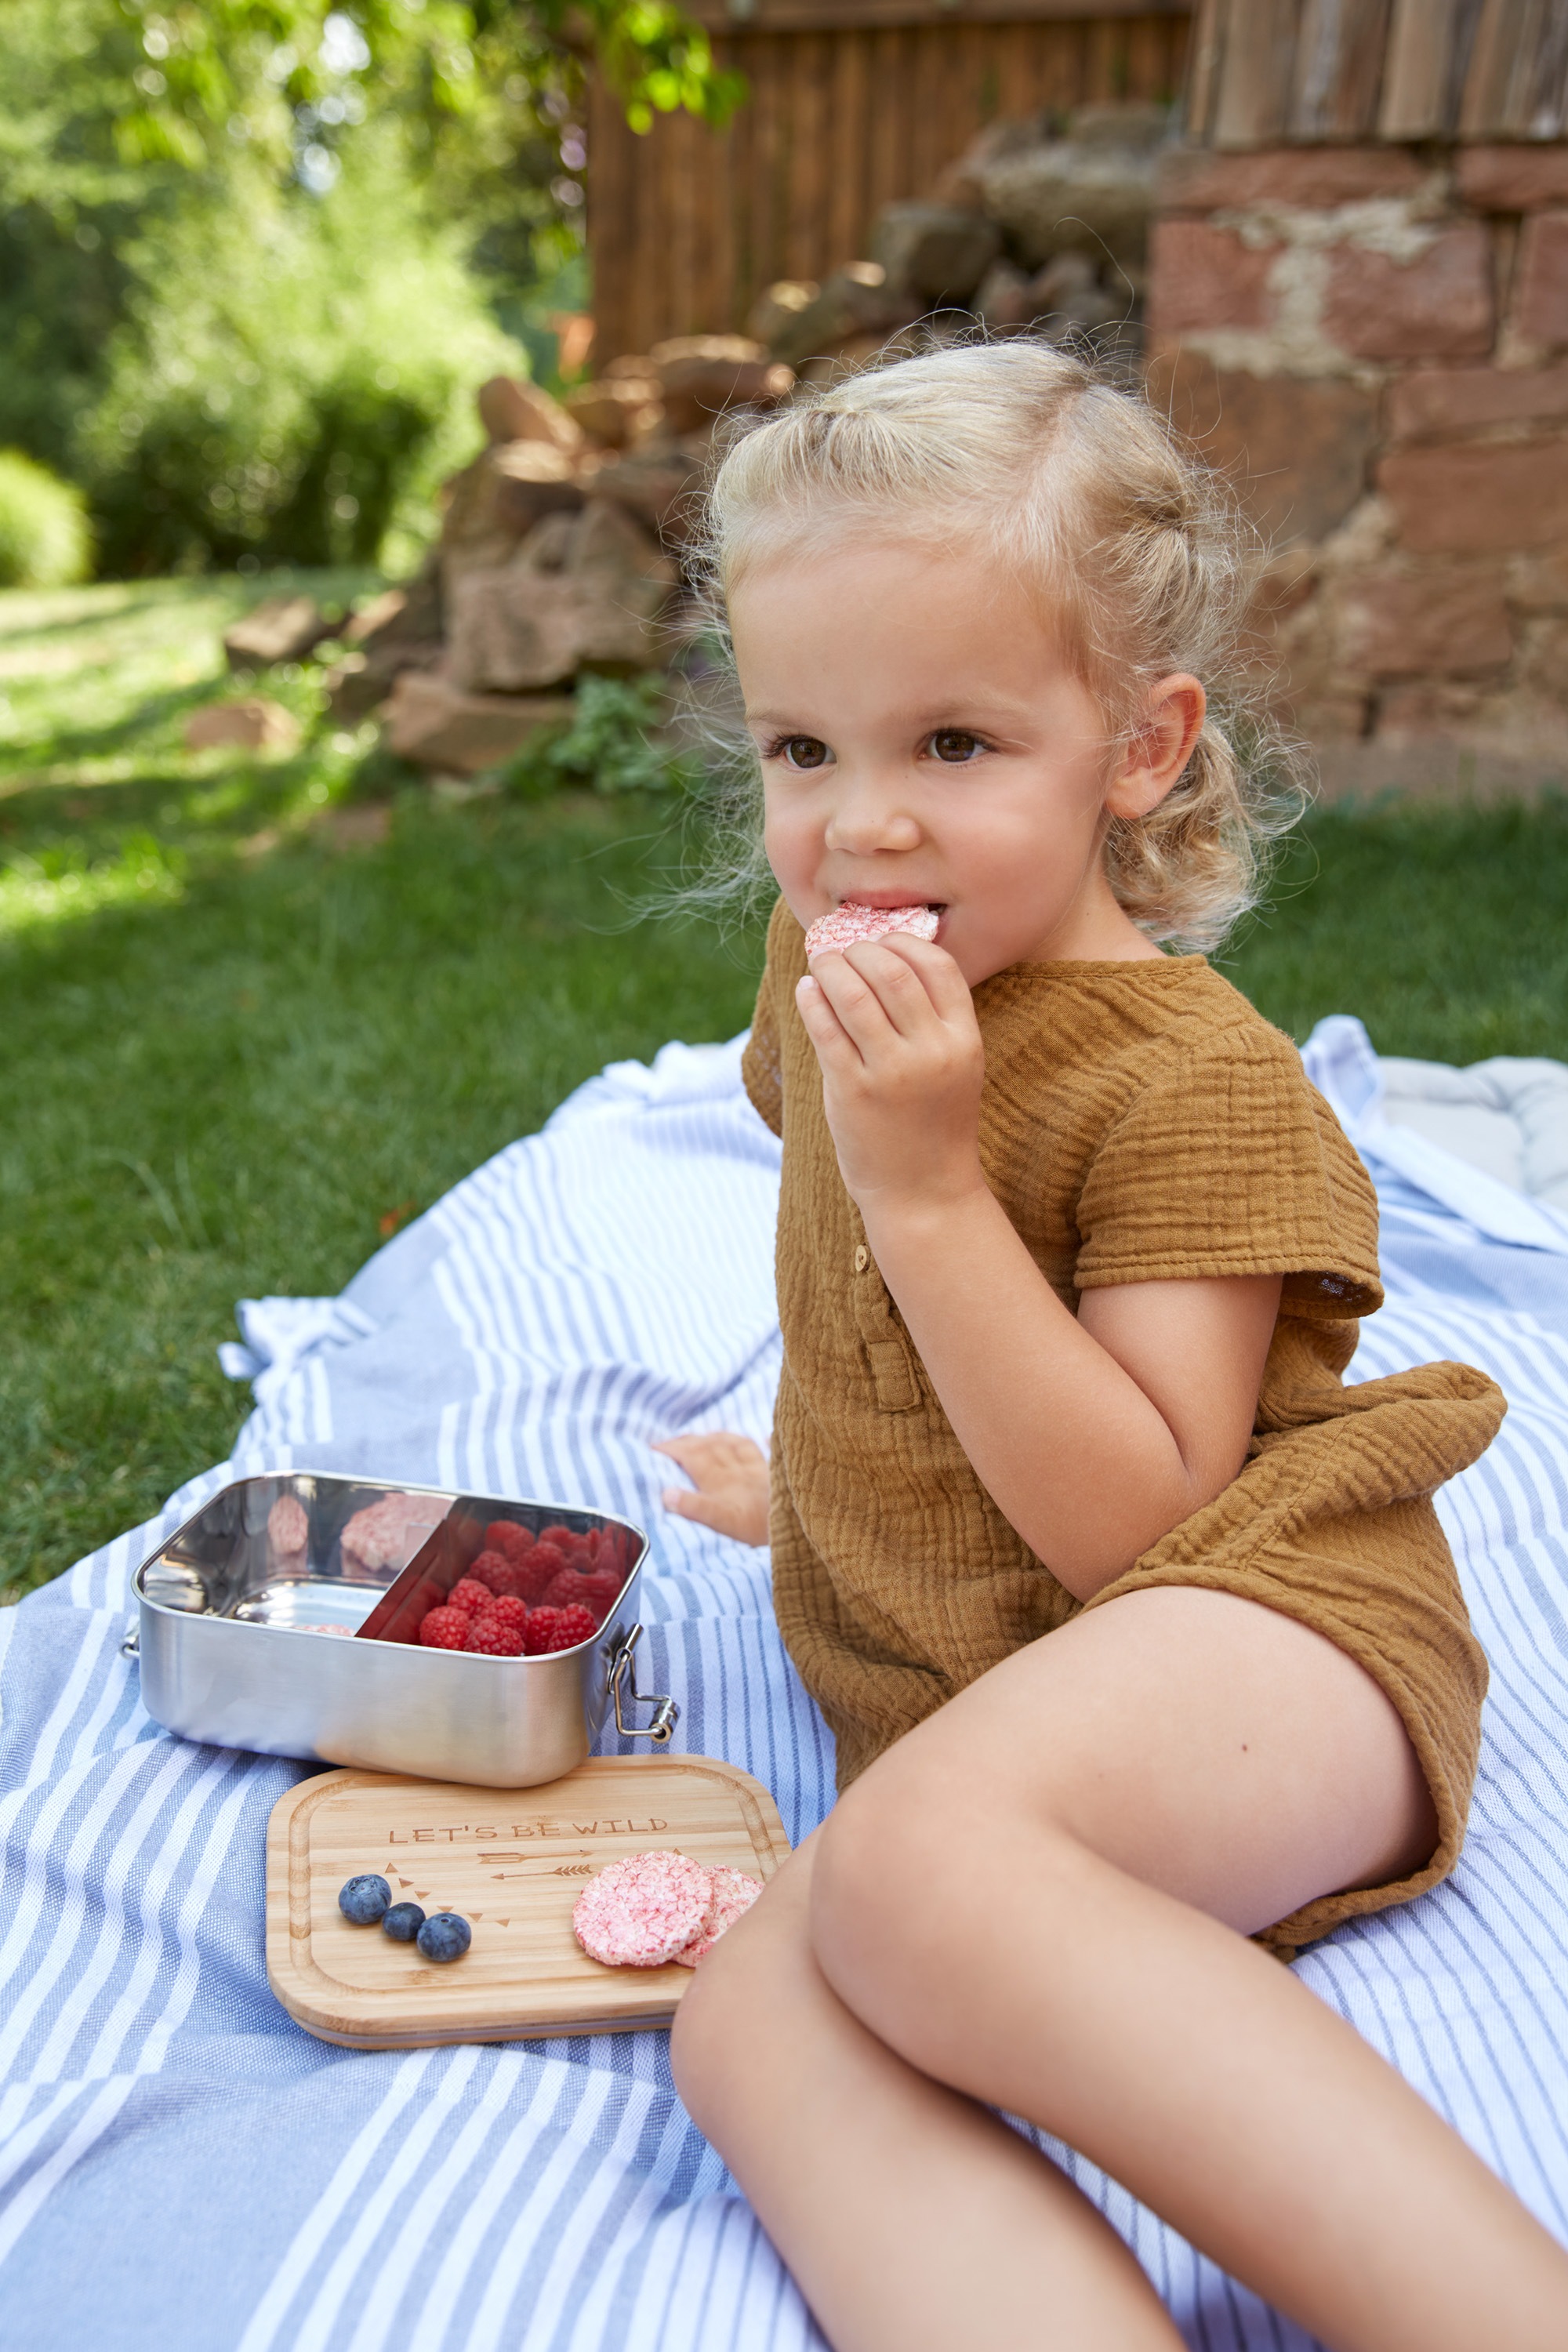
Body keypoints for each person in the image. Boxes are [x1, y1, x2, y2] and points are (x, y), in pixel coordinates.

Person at [648, 342, 1568, 2347]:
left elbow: (1135, 1519)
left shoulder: (1188, 1084)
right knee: (744, 2018)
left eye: (953, 745)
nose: (860, 830)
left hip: (1269, 1624)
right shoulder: (838, 981)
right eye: (803, 750)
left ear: (1138, 749)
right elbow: (865, 1322)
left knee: (911, 1874)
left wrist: (927, 1185)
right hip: (1038, 1696)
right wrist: (811, 1490)